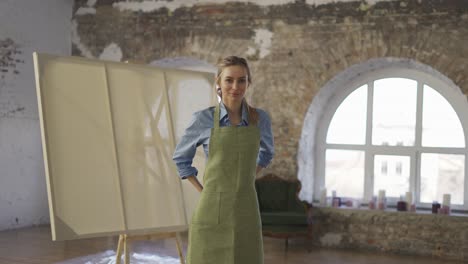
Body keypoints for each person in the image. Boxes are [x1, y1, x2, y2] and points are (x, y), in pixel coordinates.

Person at [172, 55, 274, 264]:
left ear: (248, 82)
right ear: (218, 82)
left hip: (246, 208)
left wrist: (248, 177)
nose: (235, 86)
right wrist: (205, 191)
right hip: (211, 209)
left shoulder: (259, 119)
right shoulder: (204, 119)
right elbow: (181, 158)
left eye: (241, 80)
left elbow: (267, 153)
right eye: (229, 80)